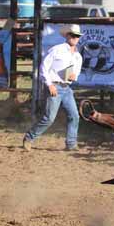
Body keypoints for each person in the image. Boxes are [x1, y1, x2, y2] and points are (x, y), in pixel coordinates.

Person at [23, 24, 83, 152]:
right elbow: (44, 67)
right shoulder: (57, 49)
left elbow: (76, 73)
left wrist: (74, 76)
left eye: (77, 36)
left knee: (74, 116)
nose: (75, 38)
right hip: (55, 85)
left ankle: (71, 143)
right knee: (49, 118)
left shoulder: (78, 56)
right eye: (72, 35)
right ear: (67, 36)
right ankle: (29, 137)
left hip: (66, 88)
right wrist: (49, 84)